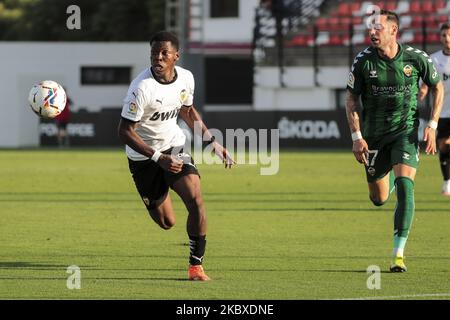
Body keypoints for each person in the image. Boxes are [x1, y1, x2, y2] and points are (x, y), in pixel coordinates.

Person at [118, 31, 234, 281]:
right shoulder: (141, 88)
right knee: (167, 222)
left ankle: (196, 266)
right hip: (143, 158)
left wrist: (212, 142)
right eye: (153, 54)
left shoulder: (186, 79)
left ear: (176, 57)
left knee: (196, 199)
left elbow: (187, 111)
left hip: (175, 146)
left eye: (164, 54)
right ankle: (162, 190)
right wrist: (158, 158)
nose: (157, 59)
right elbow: (125, 132)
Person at [345, 10, 444, 272]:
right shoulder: (363, 62)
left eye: (378, 28)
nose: (372, 32)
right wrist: (357, 137)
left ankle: (398, 253)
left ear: (393, 31)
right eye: (371, 28)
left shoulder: (416, 58)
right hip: (373, 136)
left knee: (405, 186)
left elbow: (437, 86)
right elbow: (352, 100)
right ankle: (383, 180)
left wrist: (432, 125)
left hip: (405, 131)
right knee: (378, 198)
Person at [419, 23, 450, 196]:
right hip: (443, 112)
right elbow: (425, 83)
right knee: (444, 146)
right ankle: (447, 182)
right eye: (444, 35)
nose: (446, 38)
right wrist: (422, 91)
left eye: (449, 35)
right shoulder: (434, 59)